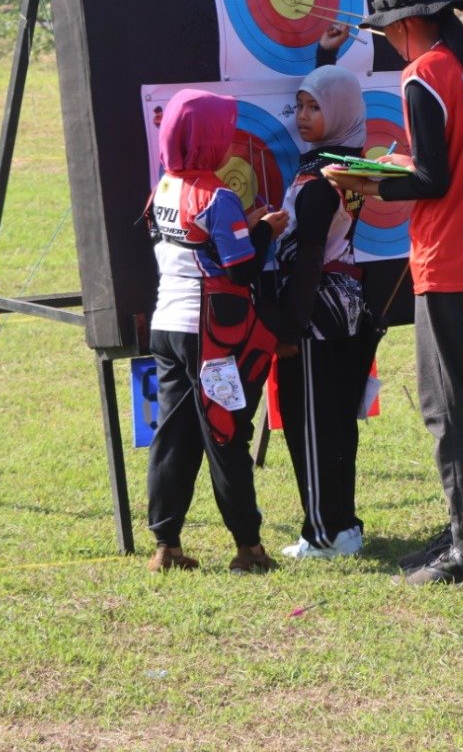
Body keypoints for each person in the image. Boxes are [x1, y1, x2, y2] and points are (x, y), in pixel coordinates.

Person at [324, 0, 463, 587]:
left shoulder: (423, 76)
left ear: (407, 22)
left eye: (385, 26)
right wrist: (402, 163)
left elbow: (434, 181)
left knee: (447, 411)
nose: (383, 37)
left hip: (453, 264)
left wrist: (365, 180)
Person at [144, 89, 288, 574]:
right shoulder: (219, 196)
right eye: (222, 131)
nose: (229, 139)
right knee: (226, 437)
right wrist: (267, 227)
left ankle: (166, 546)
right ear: (206, 138)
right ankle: (249, 549)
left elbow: (195, 241)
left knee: (173, 436)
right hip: (211, 342)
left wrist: (242, 227)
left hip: (167, 327)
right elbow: (241, 269)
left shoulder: (165, 185)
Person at [262, 66, 376, 558]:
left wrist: (289, 326)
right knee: (334, 421)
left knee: (311, 422)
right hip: (345, 310)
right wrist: (323, 55)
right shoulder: (345, 165)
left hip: (313, 314)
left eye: (315, 108)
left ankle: (324, 534)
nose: (303, 117)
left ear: (339, 114)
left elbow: (308, 256)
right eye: (301, 106)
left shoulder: (318, 183)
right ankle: (342, 526)